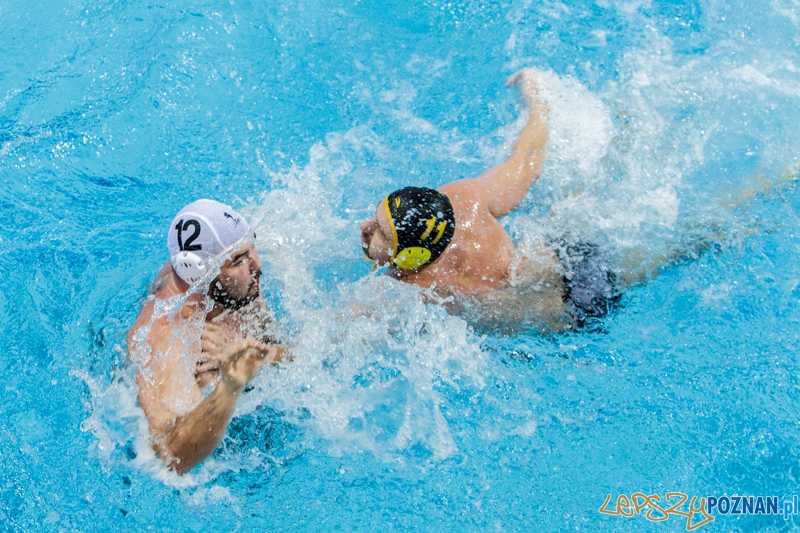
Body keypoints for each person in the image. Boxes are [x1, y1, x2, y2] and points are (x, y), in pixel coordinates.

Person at [359, 69, 620, 334]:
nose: (364, 227)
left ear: (411, 257)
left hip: (576, 311)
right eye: (375, 220)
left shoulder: (419, 289)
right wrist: (538, 102)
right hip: (566, 248)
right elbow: (527, 162)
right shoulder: (463, 198)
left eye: (380, 231)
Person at [127, 199, 285, 474]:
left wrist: (265, 356)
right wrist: (229, 385)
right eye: (238, 260)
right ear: (197, 274)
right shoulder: (165, 334)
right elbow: (172, 455)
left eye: (252, 247)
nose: (257, 264)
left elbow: (275, 342)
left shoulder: (231, 283)